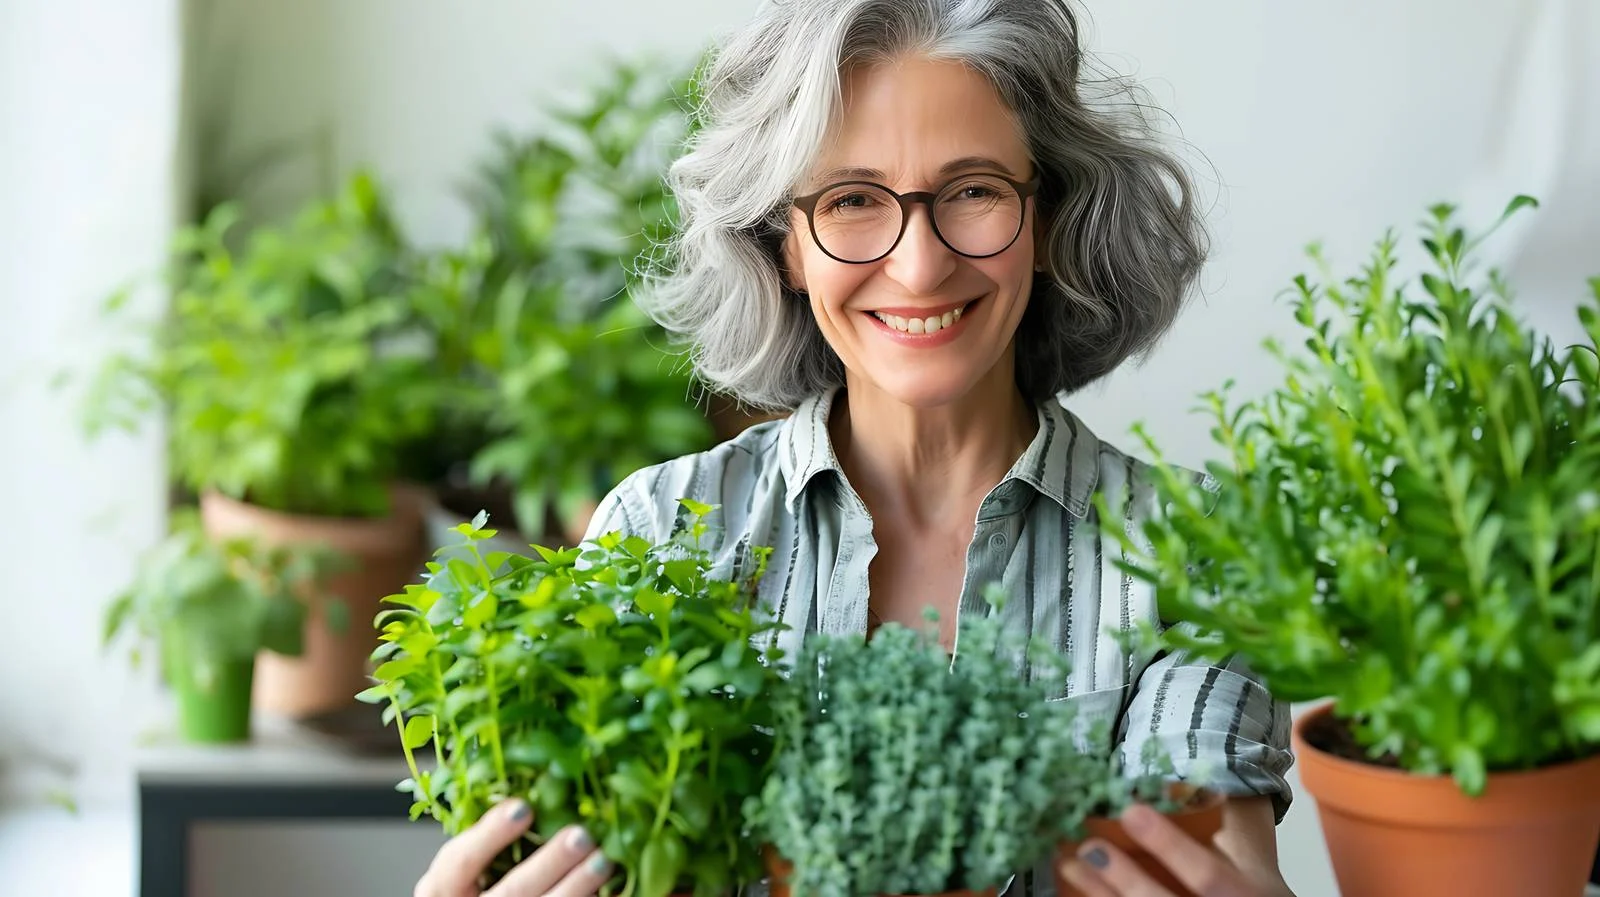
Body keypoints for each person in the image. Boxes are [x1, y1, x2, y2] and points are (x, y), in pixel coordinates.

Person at [414, 1, 1296, 895]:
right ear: (784, 244)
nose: (918, 267)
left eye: (975, 190)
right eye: (853, 200)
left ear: (1049, 219)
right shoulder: (663, 529)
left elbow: (1223, 861)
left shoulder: (1195, 547)